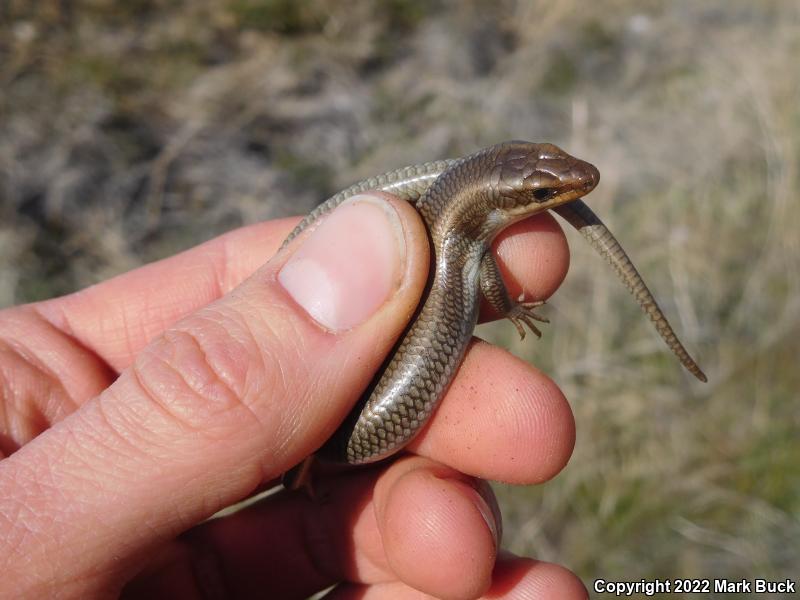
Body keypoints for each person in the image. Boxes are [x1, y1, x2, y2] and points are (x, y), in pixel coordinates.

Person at [0, 192, 587, 599]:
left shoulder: (468, 245)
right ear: (496, 205)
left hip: (321, 445)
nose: (558, 194)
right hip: (332, 446)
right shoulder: (469, 248)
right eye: (540, 193)